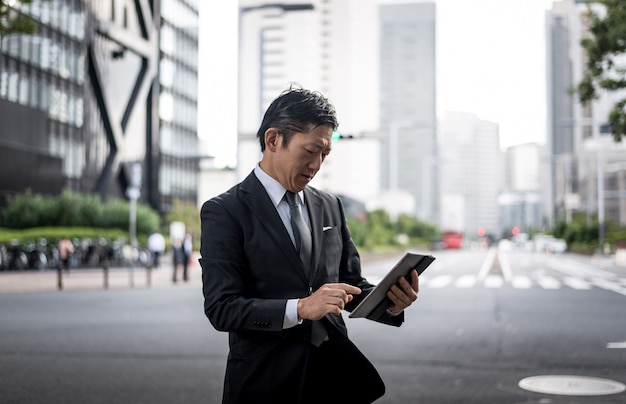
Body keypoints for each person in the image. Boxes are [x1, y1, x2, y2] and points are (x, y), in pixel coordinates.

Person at [199, 84, 420, 404]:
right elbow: (222, 308)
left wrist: (391, 301)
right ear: (273, 140)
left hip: (333, 380)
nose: (317, 164)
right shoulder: (225, 211)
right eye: (310, 151)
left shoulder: (330, 205)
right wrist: (301, 308)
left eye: (325, 154)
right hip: (264, 383)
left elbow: (350, 284)